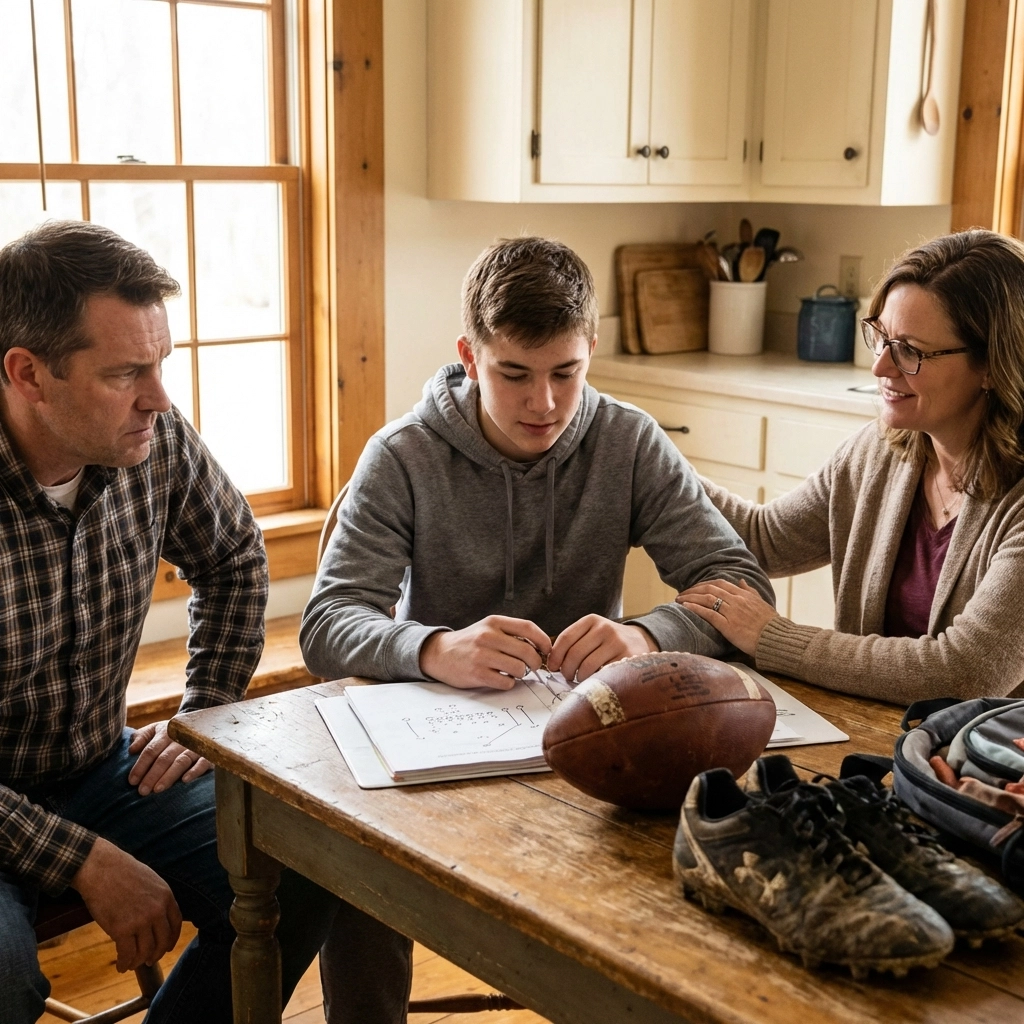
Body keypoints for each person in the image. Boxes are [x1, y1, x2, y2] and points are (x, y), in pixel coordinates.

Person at [0, 221, 403, 1024]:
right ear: (27, 374)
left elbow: (236, 560)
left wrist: (202, 713)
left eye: (161, 365)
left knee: (310, 871)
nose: (159, 398)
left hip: (99, 766)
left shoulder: (150, 438)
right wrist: (82, 859)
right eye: (125, 373)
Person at [301, 236, 773, 692]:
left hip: (591, 715)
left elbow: (741, 584)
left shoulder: (629, 442)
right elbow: (328, 623)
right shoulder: (401, 455)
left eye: (565, 373)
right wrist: (436, 649)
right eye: (514, 374)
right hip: (439, 722)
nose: (543, 403)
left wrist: (645, 636)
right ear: (469, 356)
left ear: (591, 348)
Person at [677, 229, 1024, 702]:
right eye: (880, 337)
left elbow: (962, 674)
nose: (881, 367)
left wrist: (772, 636)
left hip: (983, 767)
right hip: (877, 733)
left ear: (992, 365)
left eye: (911, 350)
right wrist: (647, 452)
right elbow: (763, 540)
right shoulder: (881, 452)